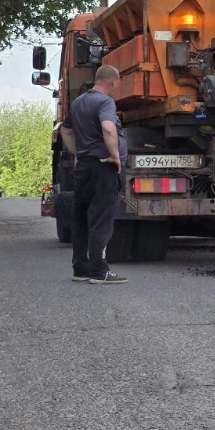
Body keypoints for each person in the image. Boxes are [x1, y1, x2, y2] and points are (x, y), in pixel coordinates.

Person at [60, 65, 129, 285]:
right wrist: (115, 155)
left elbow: (66, 130)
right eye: (117, 83)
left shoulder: (78, 102)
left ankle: (81, 268)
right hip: (103, 167)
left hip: (84, 167)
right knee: (101, 218)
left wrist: (77, 152)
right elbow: (108, 128)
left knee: (80, 216)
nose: (117, 87)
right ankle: (100, 271)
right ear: (112, 82)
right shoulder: (105, 102)